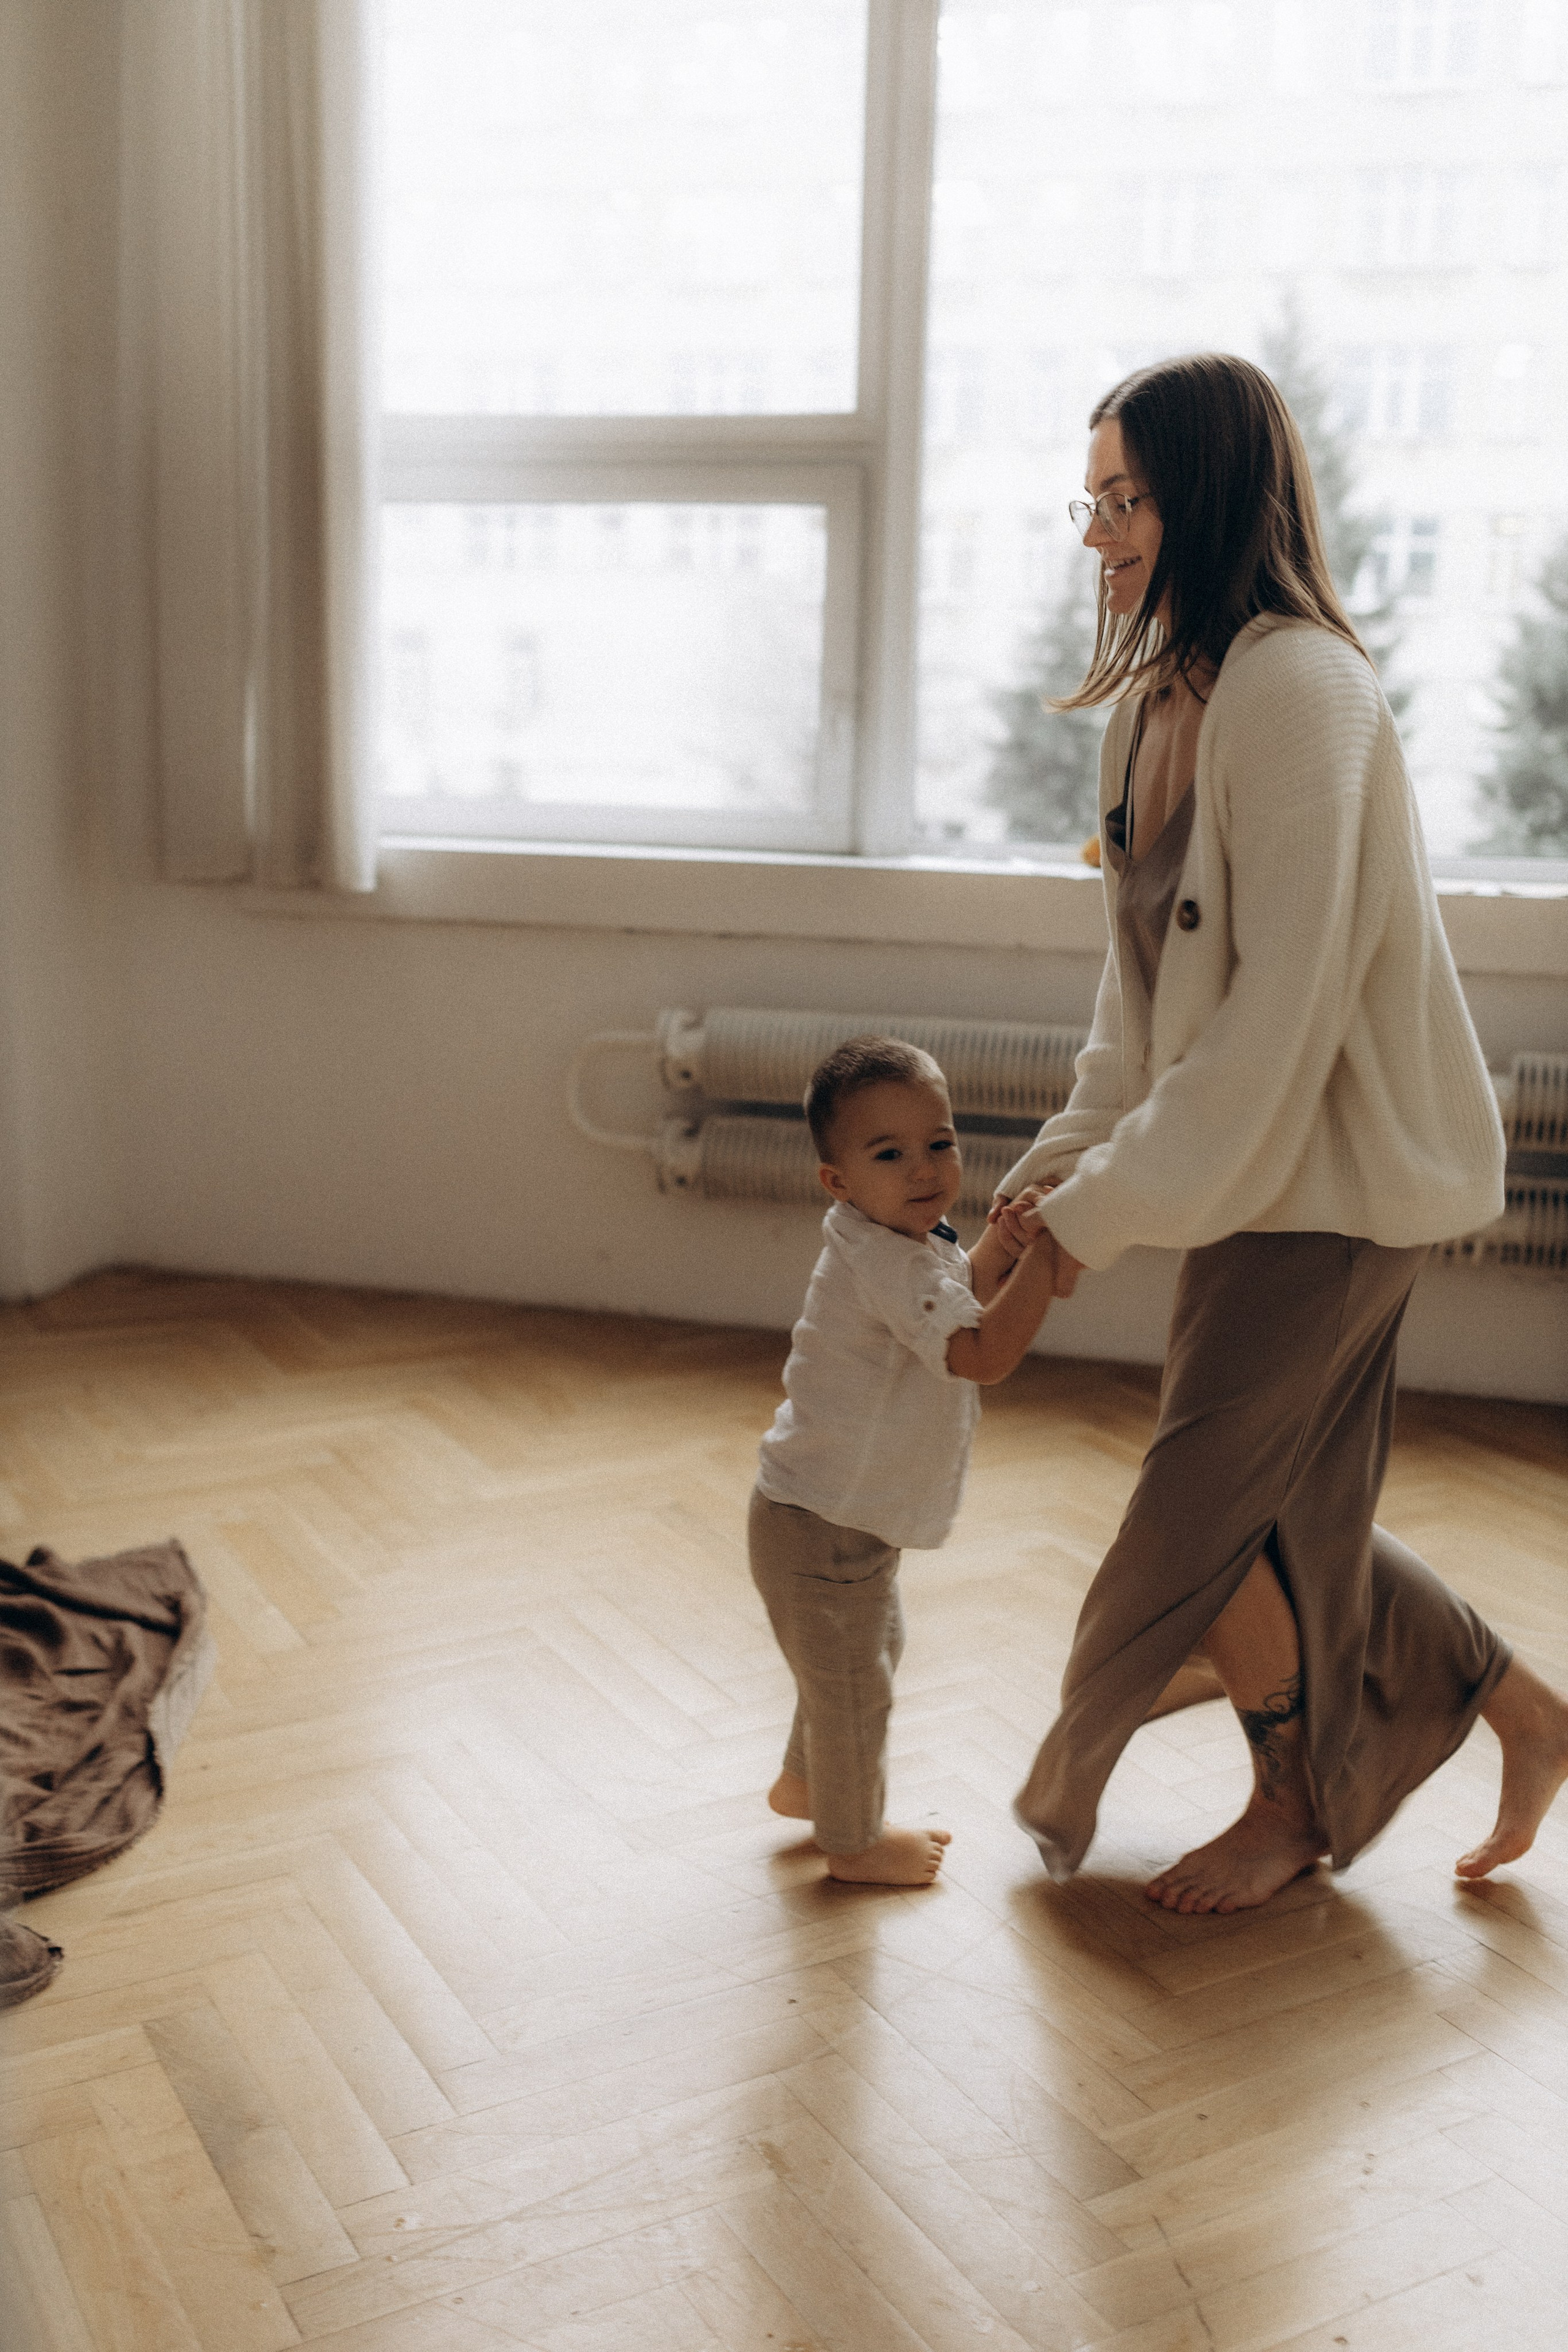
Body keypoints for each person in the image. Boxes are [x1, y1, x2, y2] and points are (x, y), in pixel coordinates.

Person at [990, 352, 1568, 1916]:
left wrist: (1091, 1224)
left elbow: (1276, 1022)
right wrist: (1053, 1171)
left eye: (1125, 497)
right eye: (1088, 498)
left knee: (1202, 1517)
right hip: (1252, 1173)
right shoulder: (1143, 709)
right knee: (1283, 1506)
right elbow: (1145, 1007)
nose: (1097, 531)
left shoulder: (1300, 688)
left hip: (1333, 1184)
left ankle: (1290, 1804)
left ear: (1207, 495)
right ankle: (1519, 1711)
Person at [751, 1036, 1061, 1886]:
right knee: (857, 1686)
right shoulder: (888, 1261)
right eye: (890, 1154)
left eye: (940, 1142)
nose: (924, 1169)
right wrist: (1043, 1254)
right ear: (838, 1181)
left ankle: (806, 1783)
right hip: (823, 1526)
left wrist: (1002, 1244)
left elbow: (959, 1286)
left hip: (826, 1516)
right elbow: (981, 1352)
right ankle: (852, 1843)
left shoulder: (895, 1238)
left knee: (858, 1655)